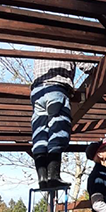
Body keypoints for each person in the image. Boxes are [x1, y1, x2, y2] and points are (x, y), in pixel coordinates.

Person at [30, 53, 92, 189]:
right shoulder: (65, 40)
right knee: (58, 130)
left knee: (40, 133)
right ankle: (53, 176)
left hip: (37, 92)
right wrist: (94, 69)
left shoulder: (40, 44)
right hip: (56, 89)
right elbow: (85, 64)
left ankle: (42, 178)